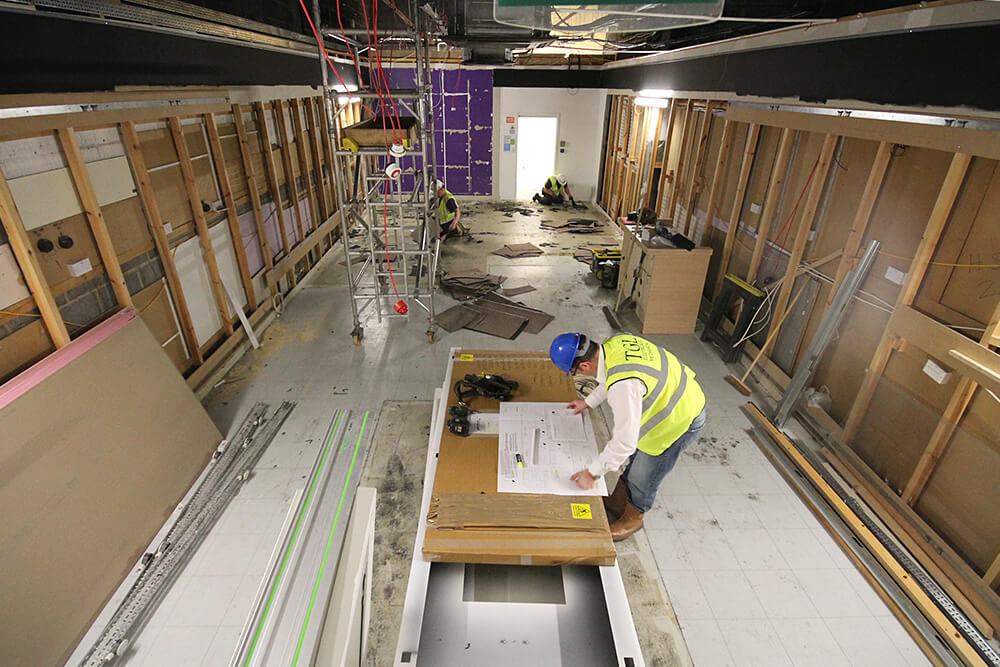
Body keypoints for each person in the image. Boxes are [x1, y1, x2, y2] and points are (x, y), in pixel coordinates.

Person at [549, 332, 707, 540]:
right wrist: (589, 402)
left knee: (644, 474)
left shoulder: (623, 386)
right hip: (677, 394)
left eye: (574, 372)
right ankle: (617, 502)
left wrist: (592, 473)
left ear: (584, 367)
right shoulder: (615, 343)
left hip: (679, 418)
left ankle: (634, 518)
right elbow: (611, 375)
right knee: (635, 463)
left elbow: (625, 443)